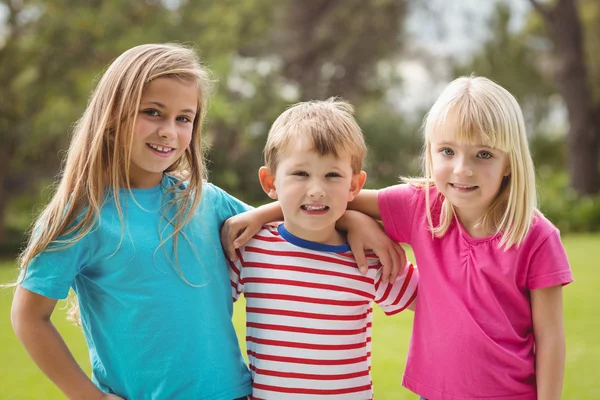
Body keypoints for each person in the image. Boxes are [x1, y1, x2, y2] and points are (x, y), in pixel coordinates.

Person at [10, 43, 254, 400]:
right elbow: (29, 317)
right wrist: (88, 397)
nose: (169, 131)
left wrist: (348, 219)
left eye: (183, 118)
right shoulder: (82, 214)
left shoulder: (206, 200)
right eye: (153, 112)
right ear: (111, 118)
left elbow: (298, 227)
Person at [343, 76, 574, 399]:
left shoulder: (537, 237)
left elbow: (550, 337)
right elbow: (324, 201)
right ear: (431, 152)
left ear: (510, 162)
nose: (462, 169)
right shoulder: (419, 206)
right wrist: (355, 219)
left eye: (483, 155)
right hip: (435, 392)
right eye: (448, 151)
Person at [227, 98, 419, 399]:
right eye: (300, 174)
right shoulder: (250, 249)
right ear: (269, 182)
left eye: (333, 175)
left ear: (354, 186)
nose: (316, 189)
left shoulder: (369, 256)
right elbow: (201, 309)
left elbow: (432, 300)